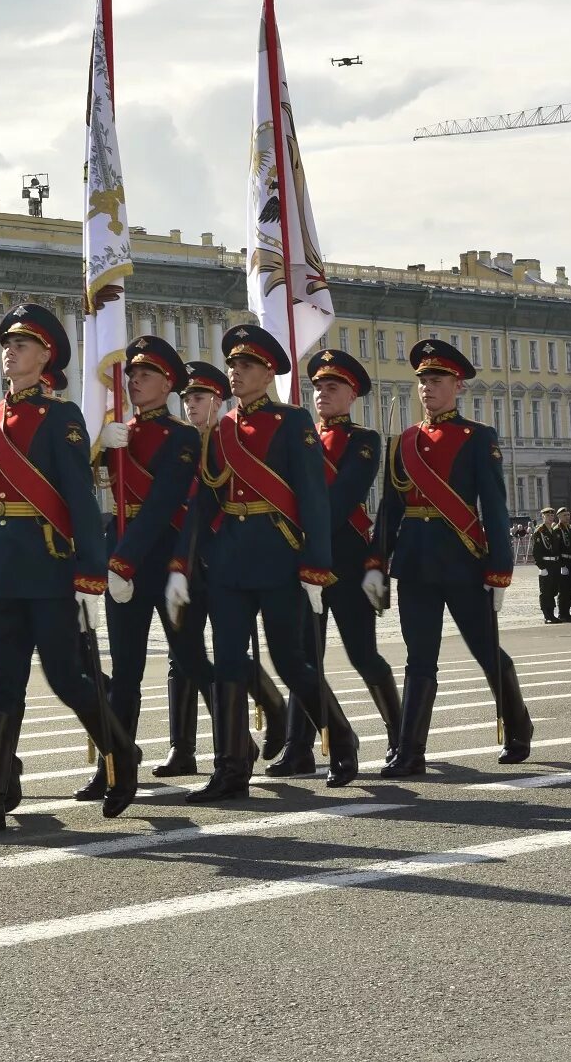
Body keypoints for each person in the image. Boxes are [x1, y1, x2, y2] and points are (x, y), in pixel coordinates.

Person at [0, 305, 138, 835]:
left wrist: (90, 572)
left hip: (47, 566)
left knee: (65, 679)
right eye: (8, 344)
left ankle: (121, 752)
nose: (11, 352)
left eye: (23, 345)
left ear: (46, 356)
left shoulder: (62, 417)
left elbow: (78, 496)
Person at [170, 325, 356, 801]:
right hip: (230, 561)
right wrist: (186, 562)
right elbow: (207, 501)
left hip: (279, 555)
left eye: (245, 365)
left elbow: (313, 497)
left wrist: (316, 564)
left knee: (290, 661)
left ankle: (340, 739)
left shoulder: (293, 421)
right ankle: (231, 769)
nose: (235, 372)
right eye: (232, 365)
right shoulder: (222, 426)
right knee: (229, 663)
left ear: (268, 371)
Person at [368, 338, 531, 776]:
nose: (427, 388)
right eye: (422, 380)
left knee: (485, 650)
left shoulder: (477, 438)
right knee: (419, 656)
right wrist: (376, 560)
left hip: (463, 560)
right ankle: (410, 750)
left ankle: (518, 726)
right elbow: (391, 508)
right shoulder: (402, 441)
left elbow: (494, 507)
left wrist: (500, 568)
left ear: (457, 386)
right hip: (416, 564)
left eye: (436, 380)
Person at [274, 349, 402, 776]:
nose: (322, 394)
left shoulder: (363, 440)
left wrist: (306, 529)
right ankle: (299, 747)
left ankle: (400, 733)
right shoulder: (299, 435)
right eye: (318, 388)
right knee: (303, 656)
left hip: (344, 557)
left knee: (361, 653)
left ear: (352, 395)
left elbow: (345, 495)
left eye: (333, 387)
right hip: (301, 555)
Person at [96, 335, 207, 797]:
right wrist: (100, 448)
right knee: (124, 672)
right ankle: (116, 767)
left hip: (163, 558)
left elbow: (162, 505)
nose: (135, 382)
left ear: (167, 384)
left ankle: (234, 751)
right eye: (132, 375)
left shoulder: (182, 436)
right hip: (122, 559)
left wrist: (122, 562)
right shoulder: (119, 432)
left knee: (191, 661)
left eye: (145, 376)